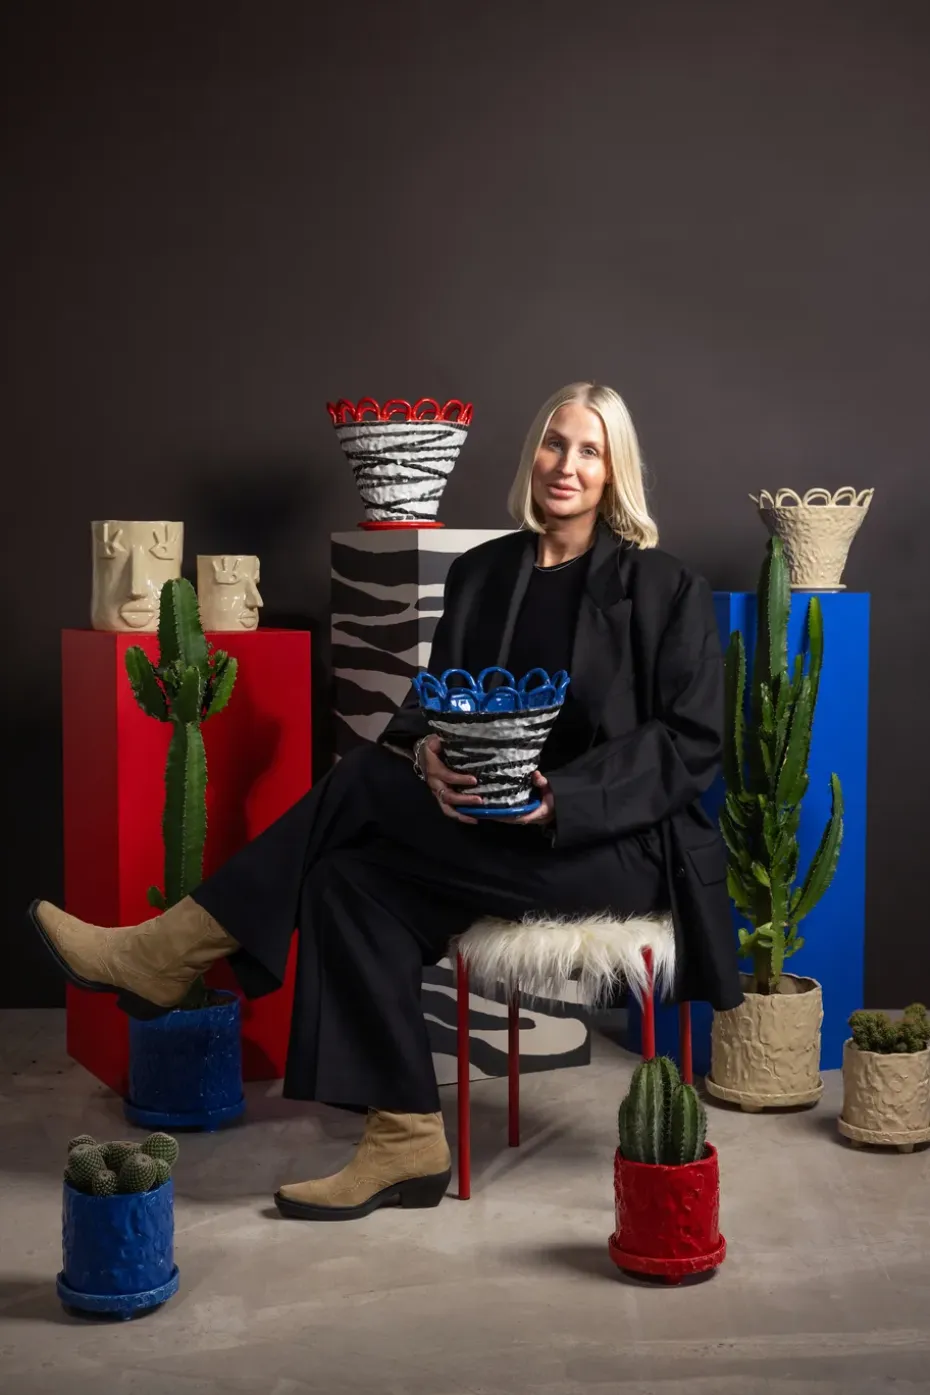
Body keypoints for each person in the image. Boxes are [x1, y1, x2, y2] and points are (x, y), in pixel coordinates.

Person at [29, 381, 742, 1222]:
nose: (567, 465)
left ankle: (169, 948)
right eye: (555, 443)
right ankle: (404, 1135)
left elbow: (691, 741)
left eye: (591, 450)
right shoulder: (484, 574)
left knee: (364, 778)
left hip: (609, 848)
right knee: (347, 881)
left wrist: (561, 800)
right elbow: (430, 704)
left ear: (615, 469)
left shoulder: (663, 587)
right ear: (533, 454)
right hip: (486, 835)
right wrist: (428, 753)